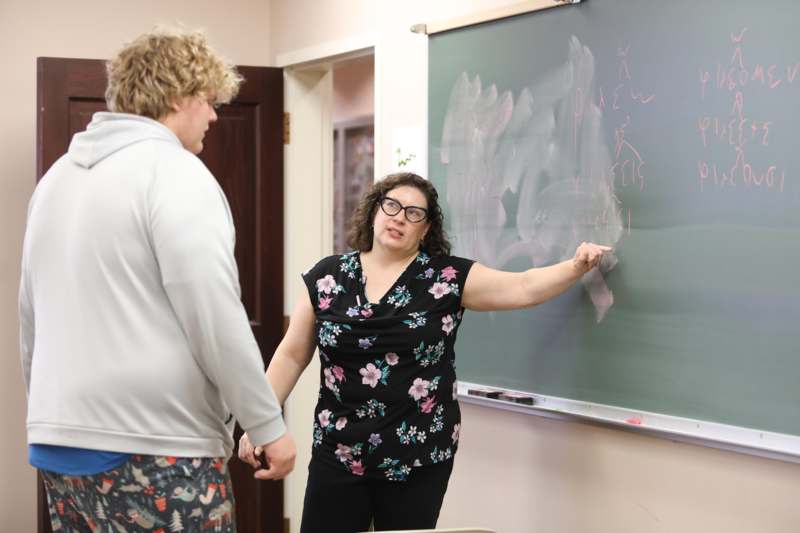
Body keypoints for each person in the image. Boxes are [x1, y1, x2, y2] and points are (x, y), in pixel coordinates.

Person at [19, 28, 295, 532]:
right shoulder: (175, 173)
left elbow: (30, 320)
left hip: (60, 445)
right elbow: (214, 314)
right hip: (157, 447)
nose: (214, 115)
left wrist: (48, 409)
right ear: (176, 96)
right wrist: (265, 424)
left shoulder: (56, 179)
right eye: (209, 100)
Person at [238, 171, 611, 532]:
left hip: (418, 456)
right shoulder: (327, 276)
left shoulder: (447, 278)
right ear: (373, 211)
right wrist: (262, 422)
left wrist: (576, 265)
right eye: (391, 206)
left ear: (427, 229)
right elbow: (291, 355)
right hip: (339, 452)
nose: (399, 218)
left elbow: (524, 288)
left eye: (414, 213)